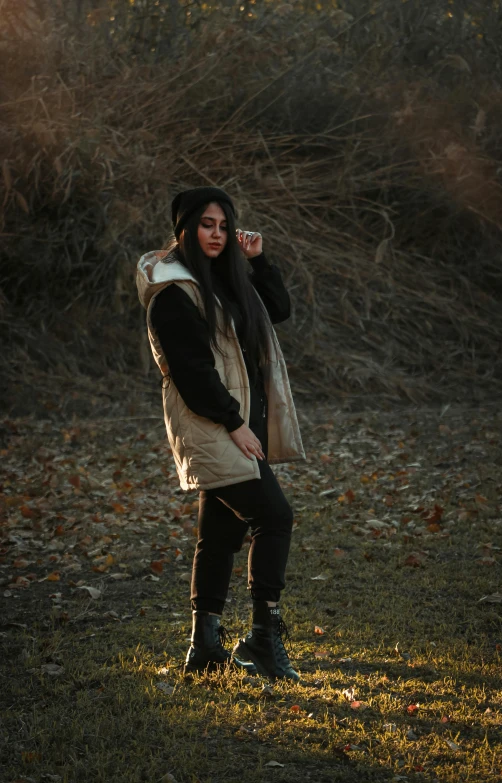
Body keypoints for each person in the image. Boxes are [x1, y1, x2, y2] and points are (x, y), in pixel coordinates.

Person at [136, 186, 306, 680]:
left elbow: (277, 309)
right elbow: (192, 374)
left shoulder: (225, 282)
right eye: (207, 225)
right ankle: (261, 640)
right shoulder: (173, 293)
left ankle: (204, 647)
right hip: (213, 424)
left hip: (239, 423)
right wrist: (233, 425)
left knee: (221, 532)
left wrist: (259, 259)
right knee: (274, 516)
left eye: (224, 226)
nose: (217, 234)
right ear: (184, 229)